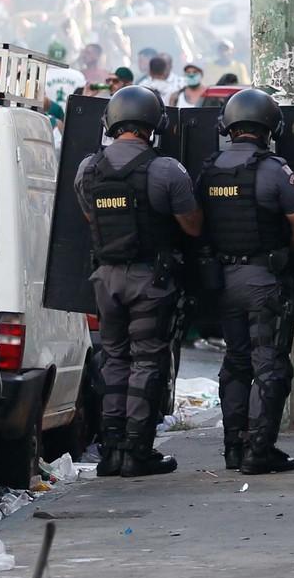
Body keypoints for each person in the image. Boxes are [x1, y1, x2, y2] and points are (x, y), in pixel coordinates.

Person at [75, 86, 203, 477]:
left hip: (105, 279)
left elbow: (89, 219)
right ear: (155, 124)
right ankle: (137, 450)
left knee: (113, 359)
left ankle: (111, 450)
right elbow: (193, 226)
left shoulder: (87, 168)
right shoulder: (166, 170)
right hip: (149, 278)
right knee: (147, 360)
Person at [196, 89, 294, 475]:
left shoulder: (209, 169)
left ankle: (233, 448)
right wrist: (285, 254)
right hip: (263, 280)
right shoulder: (274, 169)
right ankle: (259, 450)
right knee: (270, 365)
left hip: (223, 282)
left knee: (236, 362)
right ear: (270, 126)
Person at [45, 39, 86, 107]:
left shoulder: (43, 75)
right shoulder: (78, 76)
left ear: (48, 56)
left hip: (48, 115)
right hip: (72, 116)